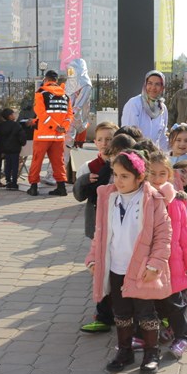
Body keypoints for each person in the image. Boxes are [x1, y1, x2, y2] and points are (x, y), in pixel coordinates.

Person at [85, 150, 172, 374]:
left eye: (124, 176)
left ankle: (152, 353)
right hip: (116, 267)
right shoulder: (108, 198)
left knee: (146, 313)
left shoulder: (153, 199)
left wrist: (155, 264)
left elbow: (163, 235)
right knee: (121, 313)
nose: (118, 181)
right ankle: (125, 351)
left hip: (142, 269)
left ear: (139, 176)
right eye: (115, 175)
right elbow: (100, 233)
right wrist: (93, 258)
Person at [146, 152, 187, 360]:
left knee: (175, 304)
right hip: (150, 265)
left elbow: (186, 241)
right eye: (152, 173)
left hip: (174, 266)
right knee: (151, 304)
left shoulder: (177, 204)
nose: (157, 178)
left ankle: (182, 337)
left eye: (162, 174)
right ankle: (152, 334)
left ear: (169, 175)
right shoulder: (141, 200)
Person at [75, 132, 135, 334]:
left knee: (126, 280)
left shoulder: (140, 182)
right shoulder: (102, 172)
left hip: (129, 240)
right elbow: (83, 195)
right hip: (106, 235)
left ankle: (134, 320)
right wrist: (85, 180)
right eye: (115, 154)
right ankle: (103, 317)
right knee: (105, 276)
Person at [27, 70, 73, 196]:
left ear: (46, 80)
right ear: (56, 81)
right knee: (58, 162)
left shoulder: (41, 93)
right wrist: (62, 127)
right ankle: (61, 187)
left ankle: (33, 187)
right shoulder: (65, 96)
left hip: (42, 135)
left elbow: (42, 114)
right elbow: (69, 115)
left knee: (37, 161)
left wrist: (54, 126)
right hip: (58, 136)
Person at [121, 70, 169, 151]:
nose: (153, 87)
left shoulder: (162, 108)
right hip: (135, 153)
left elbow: (162, 138)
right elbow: (128, 134)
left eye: (157, 84)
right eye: (150, 83)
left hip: (153, 154)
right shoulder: (134, 103)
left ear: (162, 87)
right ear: (145, 85)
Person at [0, 108, 27, 190]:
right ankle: (14, 182)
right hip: (15, 148)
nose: (14, 115)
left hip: (5, 149)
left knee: (7, 165)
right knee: (14, 165)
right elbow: (22, 136)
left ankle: (8, 181)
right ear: (10, 116)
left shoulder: (1, 126)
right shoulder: (16, 125)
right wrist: (22, 143)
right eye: (13, 114)